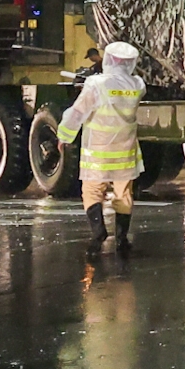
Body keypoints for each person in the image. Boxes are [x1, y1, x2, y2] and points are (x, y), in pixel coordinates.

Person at [59, 40, 146, 255]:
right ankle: (122, 239)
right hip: (125, 150)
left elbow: (78, 113)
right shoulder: (137, 85)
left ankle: (98, 233)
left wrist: (64, 135)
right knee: (123, 193)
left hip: (98, 151)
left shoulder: (96, 85)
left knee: (92, 191)